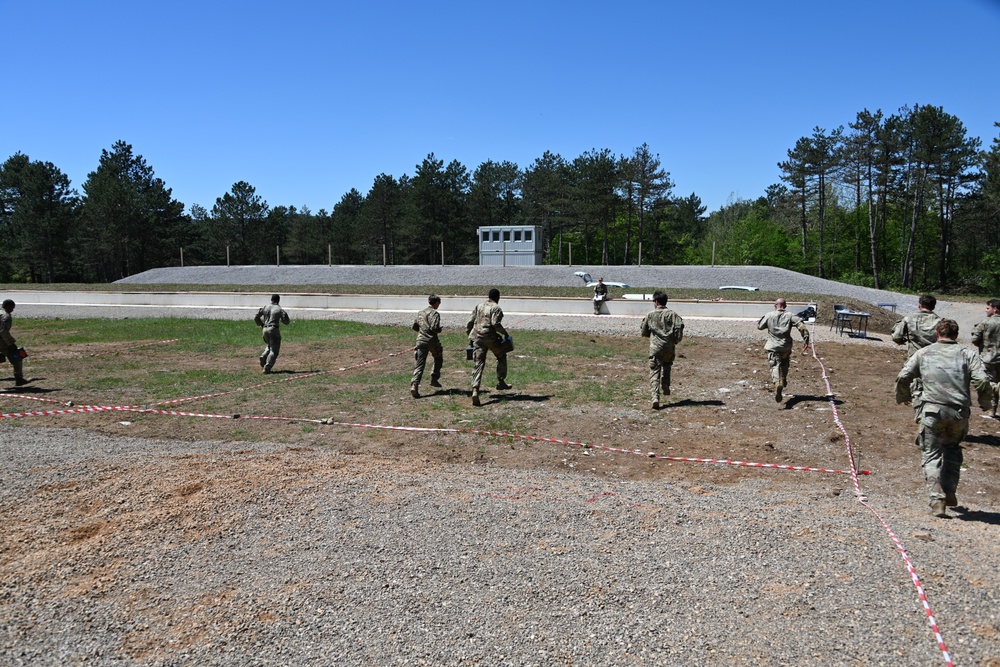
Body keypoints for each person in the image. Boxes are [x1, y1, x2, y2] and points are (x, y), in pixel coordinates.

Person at [895, 318, 993, 517]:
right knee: (952, 450)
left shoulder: (924, 353)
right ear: (956, 336)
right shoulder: (967, 354)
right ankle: (949, 490)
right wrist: (985, 401)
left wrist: (903, 395)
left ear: (937, 334)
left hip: (932, 411)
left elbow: (904, 375)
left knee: (931, 454)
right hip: (958, 412)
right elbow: (982, 379)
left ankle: (936, 499)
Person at [891, 294, 942, 419]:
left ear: (920, 305)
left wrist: (904, 340)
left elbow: (896, 336)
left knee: (917, 387)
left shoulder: (909, 318)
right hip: (935, 359)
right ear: (933, 306)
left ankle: (921, 416)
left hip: (915, 358)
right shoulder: (941, 322)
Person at [757, 298, 810, 403]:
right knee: (785, 363)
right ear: (785, 306)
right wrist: (806, 340)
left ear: (775, 305)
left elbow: (760, 326)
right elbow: (801, 326)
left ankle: (777, 383)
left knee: (774, 365)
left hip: (773, 346)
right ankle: (784, 378)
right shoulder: (790, 315)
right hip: (785, 346)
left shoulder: (769, 315)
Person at [466, 288, 510, 406]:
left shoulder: (479, 306)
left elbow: (470, 322)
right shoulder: (496, 308)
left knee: (478, 364)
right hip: (490, 338)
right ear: (498, 297)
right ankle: (501, 381)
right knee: (501, 356)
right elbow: (495, 324)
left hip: (478, 338)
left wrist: (469, 336)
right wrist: (505, 333)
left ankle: (475, 390)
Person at [640, 291, 684, 409]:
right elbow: (679, 332)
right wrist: (674, 341)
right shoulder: (673, 315)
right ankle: (665, 384)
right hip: (669, 347)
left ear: (657, 302)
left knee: (654, 372)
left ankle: (655, 397)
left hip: (655, 348)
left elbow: (644, 332)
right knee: (667, 366)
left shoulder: (650, 315)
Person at [971, 298, 1000, 417]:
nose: (985, 310)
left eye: (988, 308)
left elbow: (975, 339)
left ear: (995, 309)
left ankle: (991, 410)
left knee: (990, 383)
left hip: (988, 357)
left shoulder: (985, 323)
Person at [411, 294, 444, 398]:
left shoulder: (421, 312)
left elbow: (415, 327)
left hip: (420, 340)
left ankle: (414, 385)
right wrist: (439, 329)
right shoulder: (435, 314)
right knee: (438, 357)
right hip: (431, 340)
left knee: (420, 363)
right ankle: (434, 378)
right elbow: (434, 328)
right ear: (436, 302)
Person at [254, 294, 290, 374]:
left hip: (265, 329)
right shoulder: (279, 309)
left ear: (271, 299)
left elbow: (256, 317)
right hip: (273, 329)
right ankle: (267, 367)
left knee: (271, 345)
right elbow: (286, 322)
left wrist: (261, 324)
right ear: (278, 300)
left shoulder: (265, 307)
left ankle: (264, 355)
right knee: (274, 350)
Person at [1, 299, 29, 386]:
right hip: (2, 342)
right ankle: (19, 379)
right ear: (8, 306)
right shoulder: (6, 316)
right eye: (12, 307)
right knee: (17, 357)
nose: (13, 309)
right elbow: (3, 332)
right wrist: (11, 343)